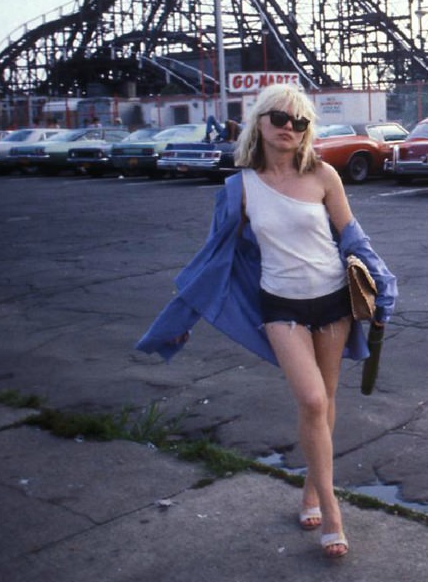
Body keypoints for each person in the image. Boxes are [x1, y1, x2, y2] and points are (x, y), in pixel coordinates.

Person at [136, 84, 398, 560]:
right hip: (280, 307)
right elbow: (214, 258)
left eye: (299, 122)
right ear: (259, 121)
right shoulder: (239, 187)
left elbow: (352, 237)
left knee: (324, 403)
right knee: (312, 398)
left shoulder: (323, 175)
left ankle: (310, 491)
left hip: (334, 301)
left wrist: (380, 276)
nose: (289, 129)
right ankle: (333, 511)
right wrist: (186, 312)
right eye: (280, 118)